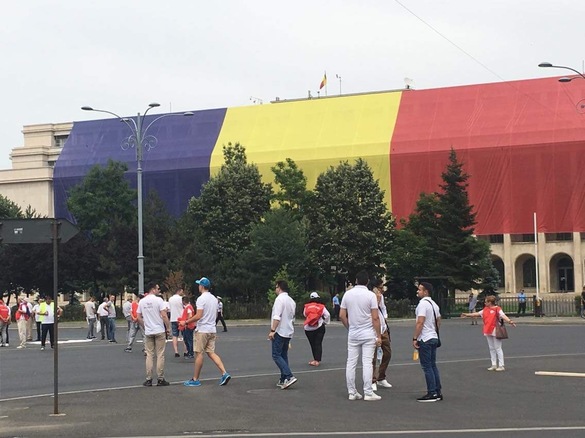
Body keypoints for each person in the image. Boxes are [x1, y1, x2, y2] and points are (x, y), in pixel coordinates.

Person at [340, 270, 382, 401]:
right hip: (368, 332)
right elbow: (375, 318)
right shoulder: (370, 296)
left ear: (356, 281)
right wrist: (379, 335)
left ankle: (352, 392)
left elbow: (342, 315)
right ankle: (368, 392)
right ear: (367, 281)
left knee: (351, 362)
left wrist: (349, 326)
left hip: (354, 332)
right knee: (367, 363)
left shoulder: (348, 294)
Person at [182, 277, 231, 387]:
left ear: (202, 286)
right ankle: (224, 372)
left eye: (199, 285)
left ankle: (195, 379)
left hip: (203, 330)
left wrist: (186, 322)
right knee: (211, 352)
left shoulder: (201, 299)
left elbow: (199, 316)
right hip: (212, 329)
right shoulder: (214, 299)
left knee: (199, 353)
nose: (198, 286)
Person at [461, 295, 516, 371]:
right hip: (487, 330)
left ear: (490, 302)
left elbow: (503, 316)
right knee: (491, 348)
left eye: (486, 302)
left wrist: (510, 321)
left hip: (495, 329)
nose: (485, 303)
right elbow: (477, 314)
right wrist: (467, 315)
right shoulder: (485, 309)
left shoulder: (497, 309)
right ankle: (493, 364)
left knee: (498, 348)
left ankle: (501, 365)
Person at [412, 282, 443, 402]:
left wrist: (415, 337)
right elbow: (438, 320)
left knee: (427, 367)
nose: (417, 292)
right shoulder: (434, 304)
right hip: (434, 337)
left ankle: (432, 393)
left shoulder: (423, 304)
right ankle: (437, 391)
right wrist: (434, 331)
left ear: (426, 292)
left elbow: (420, 322)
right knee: (433, 365)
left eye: (420, 290)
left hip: (425, 338)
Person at [137, 283, 171, 386]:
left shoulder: (142, 301)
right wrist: (168, 327)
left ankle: (149, 378)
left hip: (149, 331)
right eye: (157, 288)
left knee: (149, 355)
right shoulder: (159, 300)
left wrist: (145, 326)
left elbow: (138, 317)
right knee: (160, 354)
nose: (158, 290)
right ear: (153, 289)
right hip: (159, 329)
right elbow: (164, 315)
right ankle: (160, 378)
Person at [267, 279, 297, 390]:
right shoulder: (291, 301)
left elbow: (277, 316)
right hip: (288, 331)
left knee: (276, 355)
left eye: (276, 287)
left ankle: (289, 375)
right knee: (283, 355)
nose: (275, 289)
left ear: (279, 287)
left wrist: (272, 330)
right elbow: (292, 317)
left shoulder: (279, 300)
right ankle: (283, 378)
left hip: (280, 331)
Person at [369, 278, 392, 391]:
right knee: (372, 356)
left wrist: (385, 319)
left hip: (382, 328)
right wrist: (376, 301)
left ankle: (381, 377)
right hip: (372, 329)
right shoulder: (368, 297)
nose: (382, 290)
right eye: (380, 288)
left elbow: (383, 308)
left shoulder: (381, 297)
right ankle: (372, 380)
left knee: (387, 353)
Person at [303, 292, 330, 367]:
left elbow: (305, 314)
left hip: (308, 329)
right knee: (318, 343)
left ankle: (315, 359)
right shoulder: (321, 306)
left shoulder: (306, 306)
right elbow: (327, 315)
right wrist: (325, 322)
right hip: (319, 327)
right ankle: (317, 360)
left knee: (312, 344)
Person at [168, 287, 185, 358]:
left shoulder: (170, 299)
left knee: (175, 335)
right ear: (179, 291)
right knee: (184, 335)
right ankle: (186, 351)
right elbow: (185, 307)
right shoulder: (181, 299)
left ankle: (176, 351)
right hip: (181, 318)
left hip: (173, 318)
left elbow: (169, 308)